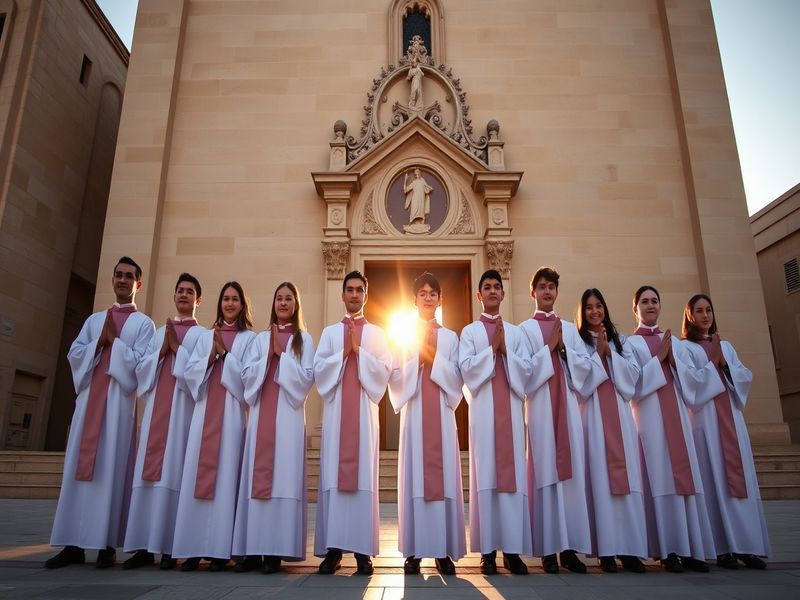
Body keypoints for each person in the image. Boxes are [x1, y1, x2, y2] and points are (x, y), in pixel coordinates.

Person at [46, 257, 155, 569]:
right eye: (118, 275)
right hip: (88, 407)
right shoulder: (93, 321)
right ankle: (72, 545)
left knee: (111, 472)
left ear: (139, 284)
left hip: (118, 411)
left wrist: (114, 345)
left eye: (129, 276)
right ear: (112, 280)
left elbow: (143, 368)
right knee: (78, 474)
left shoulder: (143, 324)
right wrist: (99, 342)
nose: (122, 280)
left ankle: (105, 545)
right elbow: (75, 355)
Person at [518, 267, 601, 574]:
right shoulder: (523, 330)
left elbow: (587, 369)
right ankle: (548, 550)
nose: (547, 292)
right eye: (542, 287)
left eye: (552, 287)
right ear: (532, 293)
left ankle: (570, 549)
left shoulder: (569, 329)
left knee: (570, 477)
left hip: (567, 409)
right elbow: (523, 371)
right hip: (540, 410)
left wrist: (564, 348)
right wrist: (548, 350)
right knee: (545, 476)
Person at [628, 285, 715, 573]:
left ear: (660, 307)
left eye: (654, 301)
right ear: (635, 308)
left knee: (684, 482)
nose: (650, 305)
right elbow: (632, 386)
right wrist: (658, 359)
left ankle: (691, 548)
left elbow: (692, 386)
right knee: (661, 482)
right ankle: (668, 551)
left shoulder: (676, 343)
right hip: (651, 424)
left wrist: (674, 360)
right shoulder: (631, 344)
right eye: (644, 301)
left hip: (678, 419)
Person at [678, 294, 770, 569]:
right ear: (690, 316)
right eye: (699, 311)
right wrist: (711, 362)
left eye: (709, 310)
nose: (705, 315)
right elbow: (690, 386)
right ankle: (721, 549)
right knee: (713, 483)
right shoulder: (686, 349)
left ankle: (747, 547)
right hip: (705, 427)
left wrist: (724, 363)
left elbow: (744, 377)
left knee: (740, 484)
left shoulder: (725, 346)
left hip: (731, 422)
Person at [171, 281, 256, 571]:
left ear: (242, 305)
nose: (230, 304)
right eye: (225, 299)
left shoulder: (250, 339)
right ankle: (194, 548)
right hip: (204, 412)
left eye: (235, 299)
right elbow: (188, 374)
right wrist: (212, 353)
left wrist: (227, 356)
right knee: (197, 475)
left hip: (232, 418)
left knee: (226, 479)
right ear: (219, 303)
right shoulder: (206, 337)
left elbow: (250, 378)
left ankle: (220, 550)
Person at [123, 273, 204, 570]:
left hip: (182, 418)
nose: (183, 295)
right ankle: (144, 547)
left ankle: (171, 547)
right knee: (149, 478)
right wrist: (162, 350)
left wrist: (178, 351)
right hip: (157, 412)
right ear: (174, 296)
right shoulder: (158, 333)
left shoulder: (202, 336)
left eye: (189, 292)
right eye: (180, 290)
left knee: (175, 477)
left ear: (198, 300)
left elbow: (201, 376)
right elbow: (141, 370)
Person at [232, 282, 315, 574]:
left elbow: (306, 380)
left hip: (288, 422)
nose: (283, 303)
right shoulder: (259, 340)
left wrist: (282, 355)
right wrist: (268, 356)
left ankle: (274, 553)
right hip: (260, 418)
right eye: (279, 298)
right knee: (257, 480)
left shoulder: (304, 340)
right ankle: (253, 551)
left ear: (296, 304)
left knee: (282, 480)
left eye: (288, 298)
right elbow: (245, 375)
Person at [313, 270, 392, 575]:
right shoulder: (331, 333)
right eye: (350, 290)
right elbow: (319, 371)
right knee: (334, 477)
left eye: (360, 290)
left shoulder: (377, 333)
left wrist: (359, 353)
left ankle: (362, 552)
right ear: (342, 294)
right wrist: (343, 354)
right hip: (336, 416)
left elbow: (385, 369)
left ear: (366, 295)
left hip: (362, 415)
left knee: (362, 480)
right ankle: (333, 551)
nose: (355, 295)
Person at [388, 272, 466, 575]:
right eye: (422, 292)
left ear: (440, 298)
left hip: (443, 420)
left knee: (442, 478)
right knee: (415, 480)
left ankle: (443, 550)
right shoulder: (405, 336)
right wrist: (418, 361)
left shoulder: (450, 337)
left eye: (433, 292)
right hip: (416, 414)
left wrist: (435, 361)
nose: (428, 297)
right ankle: (415, 551)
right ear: (414, 299)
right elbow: (394, 377)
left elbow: (458, 377)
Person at [459, 269, 532, 575]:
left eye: (496, 287)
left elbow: (528, 371)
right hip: (485, 415)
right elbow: (465, 369)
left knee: (512, 478)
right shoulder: (470, 332)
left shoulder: (516, 333)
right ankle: (488, 552)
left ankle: (512, 551)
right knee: (486, 478)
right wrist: (492, 351)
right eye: (486, 287)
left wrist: (506, 352)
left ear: (503, 294)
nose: (491, 291)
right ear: (479, 296)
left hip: (512, 416)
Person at [574, 288, 648, 573]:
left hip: (619, 415)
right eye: (589, 307)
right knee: (600, 482)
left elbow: (632, 377)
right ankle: (606, 551)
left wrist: (610, 354)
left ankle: (630, 550)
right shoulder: (579, 343)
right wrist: (597, 356)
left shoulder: (621, 342)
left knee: (626, 481)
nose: (595, 311)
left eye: (599, 306)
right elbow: (578, 377)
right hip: (592, 418)